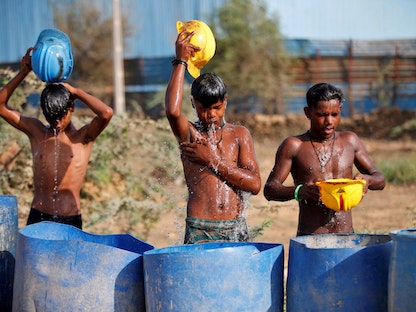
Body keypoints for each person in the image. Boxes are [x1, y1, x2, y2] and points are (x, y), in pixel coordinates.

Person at [0, 48, 113, 229]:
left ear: (72, 108)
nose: (57, 123)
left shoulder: (83, 138)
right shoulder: (36, 132)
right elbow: (1, 106)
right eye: (51, 118)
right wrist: (23, 73)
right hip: (38, 216)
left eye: (61, 116)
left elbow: (106, 113)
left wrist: (76, 91)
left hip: (70, 219)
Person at [165, 30, 261, 244]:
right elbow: (172, 111)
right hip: (200, 226)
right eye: (204, 109)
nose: (211, 115)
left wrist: (212, 160)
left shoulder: (239, 135)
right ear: (193, 104)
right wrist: (180, 62)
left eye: (217, 108)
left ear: (225, 101)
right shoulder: (191, 134)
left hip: (234, 226)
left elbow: (254, 185)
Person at [264, 82, 385, 236]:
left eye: (334, 115)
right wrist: (299, 191)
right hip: (311, 237)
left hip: (346, 236)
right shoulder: (295, 145)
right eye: (322, 115)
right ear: (308, 112)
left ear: (340, 111)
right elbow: (270, 189)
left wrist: (367, 180)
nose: (329, 121)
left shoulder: (350, 141)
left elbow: (380, 179)